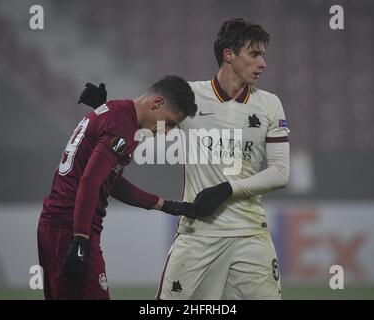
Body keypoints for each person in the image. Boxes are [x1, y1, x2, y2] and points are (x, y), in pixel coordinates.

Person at [80, 18, 290, 300]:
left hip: (251, 235)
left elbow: (280, 172)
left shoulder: (270, 104)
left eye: (263, 54)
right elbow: (144, 124)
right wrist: (109, 111)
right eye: (254, 54)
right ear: (228, 54)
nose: (263, 63)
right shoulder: (191, 98)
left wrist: (227, 189)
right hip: (197, 235)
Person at [38, 75, 201, 300]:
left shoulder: (115, 112)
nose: (167, 131)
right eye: (170, 122)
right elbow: (90, 181)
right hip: (71, 228)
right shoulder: (121, 126)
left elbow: (109, 182)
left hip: (55, 226)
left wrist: (165, 205)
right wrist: (80, 239)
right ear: (157, 103)